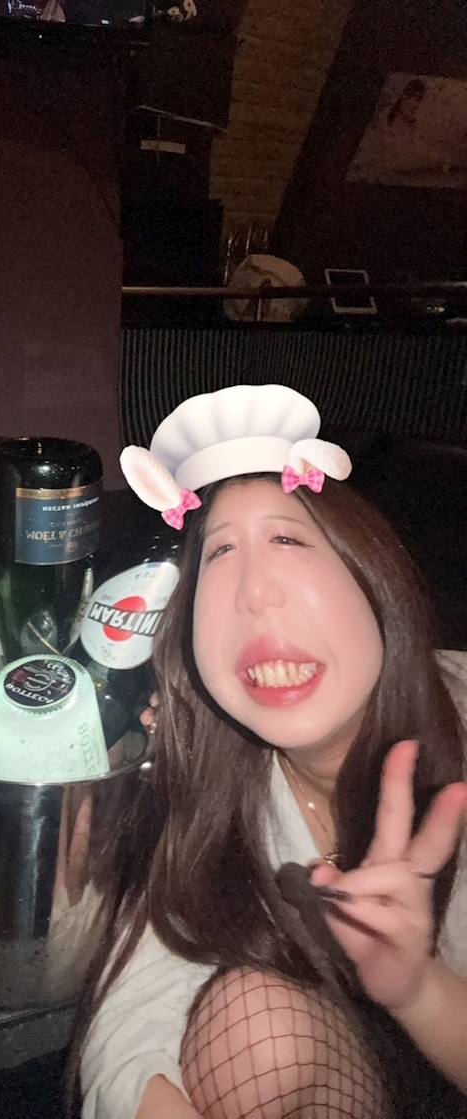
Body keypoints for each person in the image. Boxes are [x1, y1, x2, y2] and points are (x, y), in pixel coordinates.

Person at [78, 384, 467, 1119]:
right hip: (348, 1072)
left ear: (373, 578)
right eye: (220, 553)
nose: (255, 592)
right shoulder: (211, 770)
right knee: (253, 1027)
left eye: (287, 540)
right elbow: (131, 1020)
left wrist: (422, 990)